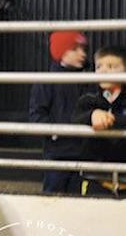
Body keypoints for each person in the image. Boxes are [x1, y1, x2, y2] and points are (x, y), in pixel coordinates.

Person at [29, 31, 88, 193]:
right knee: (54, 196)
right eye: (75, 49)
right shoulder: (47, 82)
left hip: (84, 152)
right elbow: (37, 115)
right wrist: (54, 132)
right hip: (58, 153)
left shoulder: (88, 80)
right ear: (61, 51)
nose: (82, 54)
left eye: (83, 49)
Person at [72, 46, 126, 194]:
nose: (103, 71)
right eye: (99, 66)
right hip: (95, 177)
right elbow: (75, 118)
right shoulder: (89, 99)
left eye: (111, 66)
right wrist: (92, 115)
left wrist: (111, 120)